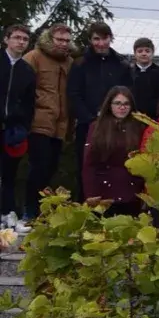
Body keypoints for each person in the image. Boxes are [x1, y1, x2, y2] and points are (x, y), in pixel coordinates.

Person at [69, 23, 127, 197]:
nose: (101, 43)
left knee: (115, 168)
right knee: (87, 168)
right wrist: (89, 118)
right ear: (90, 40)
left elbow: (127, 93)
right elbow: (73, 94)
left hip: (116, 125)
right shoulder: (80, 64)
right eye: (96, 39)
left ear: (111, 38)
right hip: (88, 125)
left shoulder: (121, 64)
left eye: (104, 38)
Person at [21, 25, 72, 225]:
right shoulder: (34, 57)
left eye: (66, 40)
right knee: (38, 167)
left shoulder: (69, 62)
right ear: (50, 39)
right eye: (59, 39)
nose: (63, 44)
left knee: (51, 167)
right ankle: (29, 209)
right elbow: (22, 88)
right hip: (39, 121)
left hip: (60, 124)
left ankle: (43, 210)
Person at [81, 86, 143, 216]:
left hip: (132, 192)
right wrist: (91, 193)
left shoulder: (139, 128)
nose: (122, 107)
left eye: (126, 104)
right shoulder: (97, 127)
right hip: (104, 193)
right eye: (118, 103)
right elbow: (90, 164)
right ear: (109, 105)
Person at [0, 25, 35, 225]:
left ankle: (7, 213)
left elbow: (29, 103)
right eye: (17, 37)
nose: (21, 42)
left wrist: (23, 127)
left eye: (25, 39)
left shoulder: (27, 71)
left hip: (13, 131)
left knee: (10, 174)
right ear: (6, 39)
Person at [128, 36, 159, 119]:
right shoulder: (128, 73)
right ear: (135, 54)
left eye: (147, 51)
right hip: (132, 117)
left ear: (152, 53)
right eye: (140, 51)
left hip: (155, 118)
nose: (144, 54)